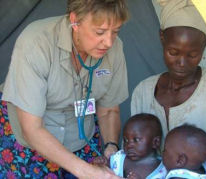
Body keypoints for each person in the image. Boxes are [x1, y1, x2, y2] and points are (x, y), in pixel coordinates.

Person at [1, 0, 129, 178]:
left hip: (82, 136)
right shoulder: (36, 42)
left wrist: (110, 147)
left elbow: (108, 111)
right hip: (31, 142)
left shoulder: (115, 49)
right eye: (100, 32)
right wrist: (85, 171)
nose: (108, 42)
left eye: (115, 31)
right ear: (75, 21)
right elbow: (32, 129)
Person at [131, 0, 206, 178]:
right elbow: (133, 153)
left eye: (192, 54)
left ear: (205, 44)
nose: (181, 63)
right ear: (162, 38)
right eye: (173, 52)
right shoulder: (143, 91)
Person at [93, 113, 167, 179]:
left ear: (155, 142)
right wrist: (102, 165)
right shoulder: (119, 158)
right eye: (126, 140)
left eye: (136, 140)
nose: (129, 145)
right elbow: (105, 171)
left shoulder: (163, 170)